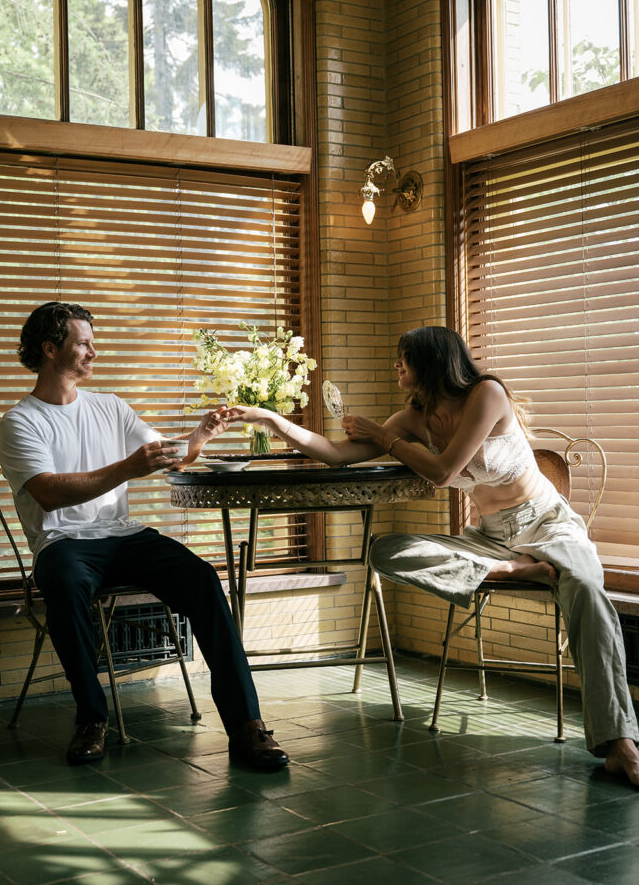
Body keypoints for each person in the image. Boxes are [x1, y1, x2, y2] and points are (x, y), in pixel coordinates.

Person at [223, 326, 639, 788]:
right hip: (489, 539)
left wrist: (384, 437)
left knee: (586, 586)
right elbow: (335, 454)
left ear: (433, 361)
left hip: (547, 523)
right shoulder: (412, 420)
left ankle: (619, 744)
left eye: (404, 358)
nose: (397, 366)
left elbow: (443, 472)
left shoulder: (486, 394)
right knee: (386, 550)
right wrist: (271, 420)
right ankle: (505, 570)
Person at [0, 302, 289, 770]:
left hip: (124, 535)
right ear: (50, 350)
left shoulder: (109, 406)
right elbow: (48, 494)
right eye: (83, 343)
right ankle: (92, 718)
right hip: (64, 542)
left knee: (202, 579)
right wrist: (128, 468)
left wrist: (198, 437)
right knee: (64, 585)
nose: (94, 350)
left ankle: (246, 728)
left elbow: (169, 457)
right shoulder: (21, 421)